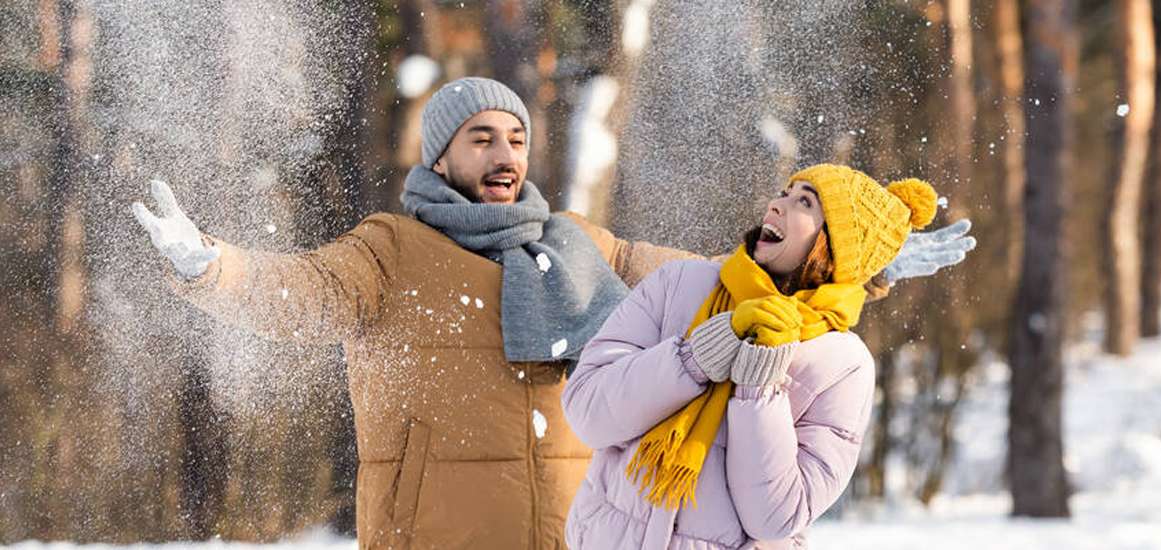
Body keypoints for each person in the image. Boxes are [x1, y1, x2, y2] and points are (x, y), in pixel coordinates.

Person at [131, 77, 973, 549]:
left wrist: (866, 260)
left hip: (572, 532)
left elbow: (731, 281)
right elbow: (304, 295)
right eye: (482, 139)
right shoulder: (390, 249)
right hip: (437, 538)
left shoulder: (575, 243)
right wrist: (212, 266)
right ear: (442, 155)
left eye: (517, 139)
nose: (505, 156)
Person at [562, 164, 938, 549]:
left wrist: (759, 384)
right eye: (785, 193)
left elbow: (775, 517)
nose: (777, 205)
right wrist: (695, 358)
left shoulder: (844, 366)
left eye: (804, 202)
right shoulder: (678, 284)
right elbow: (586, 413)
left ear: (836, 245)